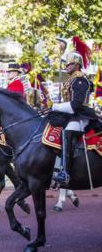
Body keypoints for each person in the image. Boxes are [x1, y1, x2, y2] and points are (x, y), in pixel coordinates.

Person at [51, 51, 99, 185]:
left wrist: (56, 107)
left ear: (77, 65)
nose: (66, 66)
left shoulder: (81, 81)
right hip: (70, 116)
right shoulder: (71, 80)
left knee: (68, 132)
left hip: (80, 116)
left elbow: (76, 105)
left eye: (70, 64)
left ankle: (65, 172)